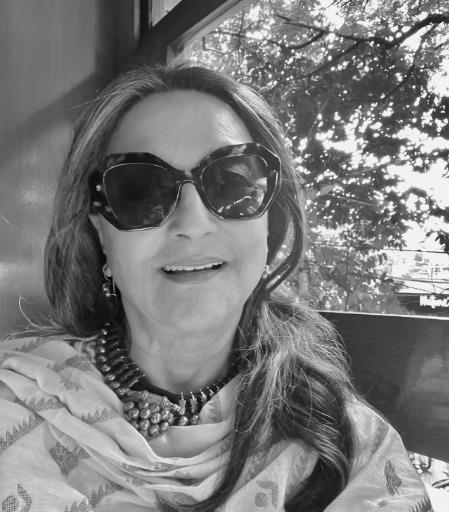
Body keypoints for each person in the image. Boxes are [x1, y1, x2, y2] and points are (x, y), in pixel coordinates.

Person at [0, 64, 431, 512]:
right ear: (101, 234)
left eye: (232, 184)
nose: (193, 223)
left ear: (269, 226)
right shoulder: (14, 400)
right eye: (140, 190)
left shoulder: (350, 447)